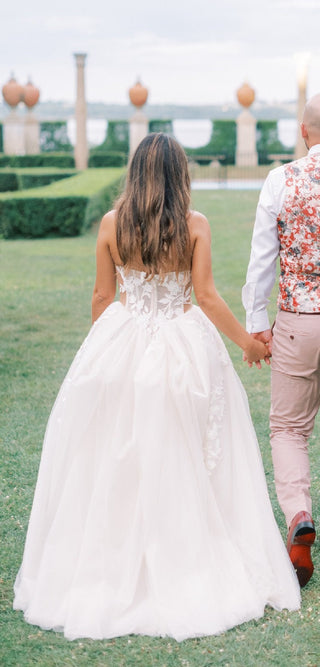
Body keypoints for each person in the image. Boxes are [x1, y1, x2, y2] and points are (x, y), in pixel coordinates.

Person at [14, 133, 300, 641]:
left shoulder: (110, 224)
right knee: (187, 454)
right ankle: (184, 554)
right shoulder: (194, 225)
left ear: (134, 173)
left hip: (122, 344)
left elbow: (103, 297)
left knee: (116, 460)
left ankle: (114, 560)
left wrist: (107, 353)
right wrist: (247, 345)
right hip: (181, 349)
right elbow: (207, 296)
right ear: (180, 174)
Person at [242, 95, 320, 588]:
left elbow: (262, 258)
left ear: (305, 131)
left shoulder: (281, 179)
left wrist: (257, 321)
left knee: (289, 429)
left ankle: (298, 518)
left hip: (298, 319)